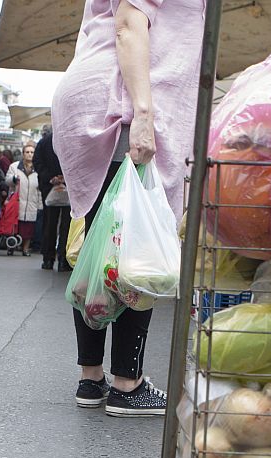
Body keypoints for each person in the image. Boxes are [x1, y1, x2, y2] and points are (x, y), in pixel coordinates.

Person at [52, 0, 204, 417]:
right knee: (136, 248)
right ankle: (127, 382)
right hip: (120, 109)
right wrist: (144, 113)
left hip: (96, 106)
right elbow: (129, 24)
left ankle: (91, 377)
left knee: (101, 251)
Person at [33, 127, 73, 272]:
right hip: (68, 186)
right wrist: (64, 177)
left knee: (49, 223)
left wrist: (51, 177)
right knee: (66, 225)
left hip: (48, 187)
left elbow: (37, 162)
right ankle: (63, 259)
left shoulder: (44, 142)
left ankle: (48, 259)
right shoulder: (72, 140)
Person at [6, 144, 42, 257]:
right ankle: (11, 247)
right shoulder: (14, 166)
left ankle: (25, 249)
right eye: (27, 152)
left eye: (32, 152)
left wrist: (40, 205)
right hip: (17, 202)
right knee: (14, 226)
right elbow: (7, 181)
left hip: (32, 202)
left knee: (28, 229)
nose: (30, 154)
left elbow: (40, 189)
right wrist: (13, 179)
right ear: (23, 154)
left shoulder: (38, 168)